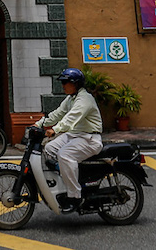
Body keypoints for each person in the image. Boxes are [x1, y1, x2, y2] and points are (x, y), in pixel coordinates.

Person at [34, 67, 103, 213]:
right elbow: (57, 114)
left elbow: (71, 118)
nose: (63, 85)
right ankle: (67, 177)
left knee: (64, 155)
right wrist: (38, 124)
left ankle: (75, 196)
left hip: (90, 138)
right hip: (75, 135)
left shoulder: (85, 99)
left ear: (76, 84)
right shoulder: (71, 98)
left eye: (66, 82)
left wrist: (55, 130)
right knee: (49, 149)